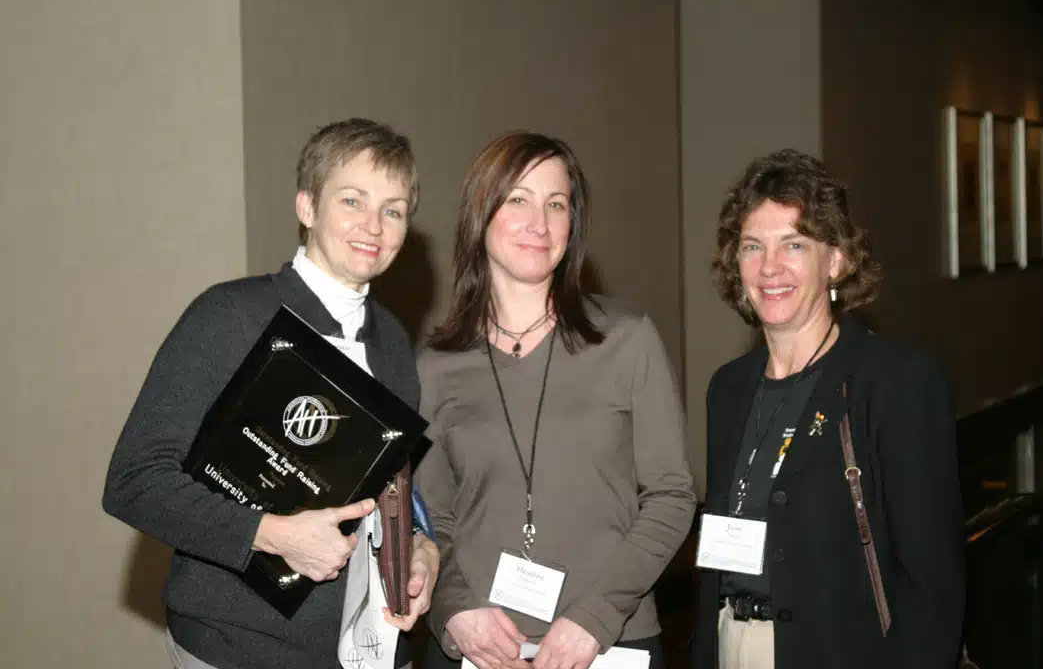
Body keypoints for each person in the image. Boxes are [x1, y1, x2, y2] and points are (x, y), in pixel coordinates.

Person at [102, 118, 439, 669]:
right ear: (307, 207)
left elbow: (394, 484)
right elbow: (135, 482)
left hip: (368, 646)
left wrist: (419, 548)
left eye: (394, 209)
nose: (373, 225)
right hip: (241, 648)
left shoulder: (394, 341)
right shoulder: (230, 315)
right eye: (352, 200)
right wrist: (272, 535)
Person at [415, 130, 697, 669]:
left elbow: (671, 495)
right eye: (518, 199)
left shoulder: (626, 338)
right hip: (477, 649)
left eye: (557, 204)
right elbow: (431, 520)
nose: (539, 224)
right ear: (481, 215)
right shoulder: (436, 364)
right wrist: (453, 610)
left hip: (609, 644)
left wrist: (595, 616)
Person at [690, 149, 965, 669]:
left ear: (835, 260)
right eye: (753, 247)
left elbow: (933, 584)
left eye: (794, 244)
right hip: (733, 644)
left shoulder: (894, 382)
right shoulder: (728, 389)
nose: (770, 267)